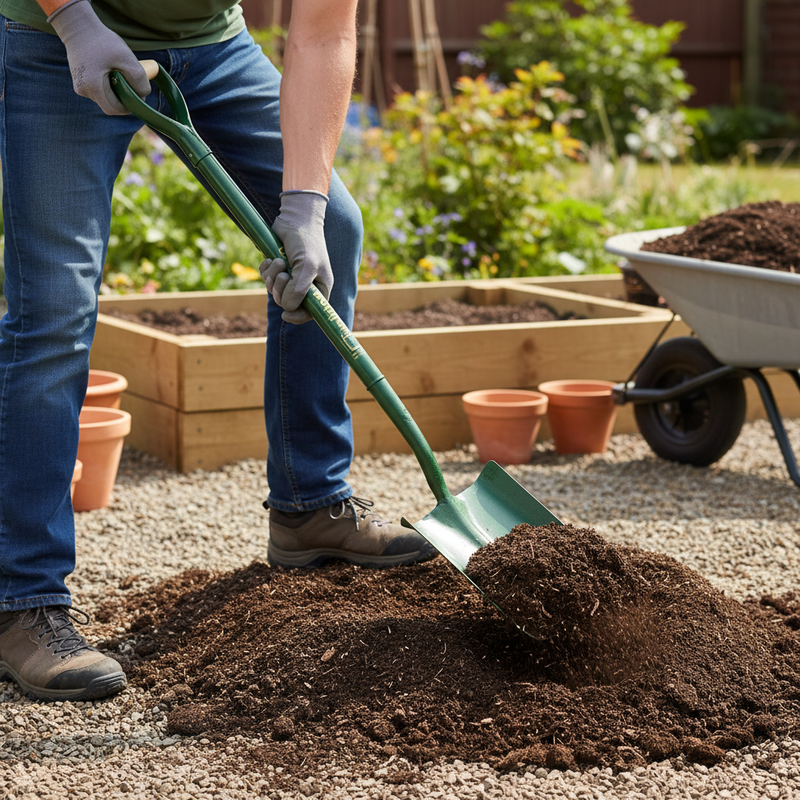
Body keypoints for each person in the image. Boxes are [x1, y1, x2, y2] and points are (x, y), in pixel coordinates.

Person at [0, 0, 436, 702]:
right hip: (56, 40)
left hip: (210, 45)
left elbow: (324, 32)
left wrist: (304, 208)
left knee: (335, 228)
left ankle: (309, 504)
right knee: (55, 307)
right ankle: (21, 598)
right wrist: (74, 21)